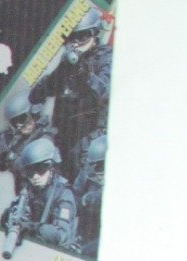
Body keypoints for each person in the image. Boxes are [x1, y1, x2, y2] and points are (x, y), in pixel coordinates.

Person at [29, 5, 112, 183]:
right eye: (73, 37)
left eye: (82, 37)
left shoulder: (105, 58)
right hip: (64, 137)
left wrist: (84, 73)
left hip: (89, 139)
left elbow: (105, 93)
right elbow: (37, 95)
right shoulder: (68, 61)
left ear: (94, 34)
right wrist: (62, 69)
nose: (76, 43)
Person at [1, 137, 78, 257]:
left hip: (57, 255)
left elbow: (61, 235)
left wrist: (31, 227)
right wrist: (8, 216)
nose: (35, 177)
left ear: (52, 168)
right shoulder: (29, 189)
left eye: (41, 169)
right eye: (30, 172)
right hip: (33, 247)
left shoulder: (64, 194)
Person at [0, 93, 56, 193]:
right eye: (14, 122)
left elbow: (33, 166)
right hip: (25, 193)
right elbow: (2, 167)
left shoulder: (45, 136)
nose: (19, 125)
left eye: (21, 119)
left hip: (42, 192)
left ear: (33, 114)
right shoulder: (21, 138)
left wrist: (9, 156)